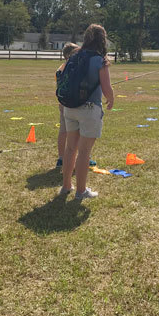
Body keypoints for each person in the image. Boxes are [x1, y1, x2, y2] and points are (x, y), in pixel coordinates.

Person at [60, 24, 114, 200]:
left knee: (70, 149)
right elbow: (106, 88)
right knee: (84, 152)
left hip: (69, 108)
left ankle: (66, 186)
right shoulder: (99, 60)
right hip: (89, 109)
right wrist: (111, 99)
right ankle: (81, 191)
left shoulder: (74, 56)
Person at [56, 42, 79, 167]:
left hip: (62, 102)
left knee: (63, 131)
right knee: (77, 132)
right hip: (72, 104)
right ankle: (79, 158)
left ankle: (61, 158)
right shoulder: (73, 68)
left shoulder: (60, 68)